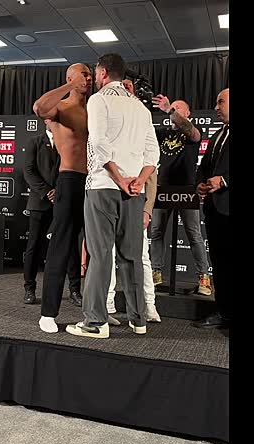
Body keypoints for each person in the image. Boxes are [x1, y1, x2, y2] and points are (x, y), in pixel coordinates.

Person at [66, 53, 159, 339]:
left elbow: (98, 143)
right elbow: (153, 153)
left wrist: (119, 179)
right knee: (132, 256)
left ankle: (96, 322)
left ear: (104, 73)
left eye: (96, 72)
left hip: (103, 187)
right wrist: (138, 181)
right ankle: (138, 320)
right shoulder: (140, 107)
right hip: (134, 192)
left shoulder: (99, 100)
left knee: (100, 255)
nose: (94, 78)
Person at [32, 63, 92, 333]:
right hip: (69, 180)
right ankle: (48, 314)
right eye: (83, 74)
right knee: (60, 246)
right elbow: (39, 108)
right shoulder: (62, 108)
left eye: (90, 74)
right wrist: (70, 86)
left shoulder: (95, 109)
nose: (88, 78)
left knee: (98, 250)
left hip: (95, 183)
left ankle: (97, 311)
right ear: (70, 77)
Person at [104, 78, 161, 324]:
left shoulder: (141, 118)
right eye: (121, 86)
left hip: (135, 200)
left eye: (128, 86)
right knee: (107, 255)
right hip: (108, 195)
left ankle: (148, 305)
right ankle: (107, 305)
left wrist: (147, 210)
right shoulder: (106, 120)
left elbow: (152, 171)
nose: (123, 90)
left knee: (141, 256)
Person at [149, 95, 212, 295]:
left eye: (178, 108)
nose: (173, 110)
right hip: (163, 188)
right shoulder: (163, 133)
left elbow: (192, 133)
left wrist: (169, 110)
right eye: (172, 108)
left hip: (186, 189)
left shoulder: (193, 132)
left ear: (187, 113)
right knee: (156, 232)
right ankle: (155, 272)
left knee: (194, 234)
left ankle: (204, 278)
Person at [22, 119, 82, 306]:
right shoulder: (34, 142)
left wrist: (60, 192)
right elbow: (29, 171)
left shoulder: (69, 142)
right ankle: (29, 288)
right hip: (40, 202)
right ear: (45, 120)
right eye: (51, 117)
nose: (54, 120)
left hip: (64, 201)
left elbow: (73, 170)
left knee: (70, 246)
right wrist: (47, 192)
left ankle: (75, 291)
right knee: (34, 246)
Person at [193, 88, 230, 329]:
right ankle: (224, 312)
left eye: (221, 102)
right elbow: (204, 166)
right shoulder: (218, 134)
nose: (216, 107)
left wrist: (224, 180)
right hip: (216, 211)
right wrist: (200, 183)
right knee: (220, 264)